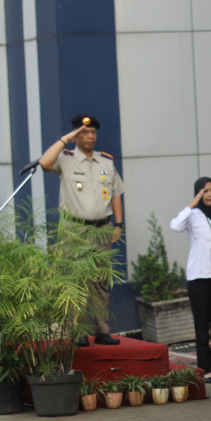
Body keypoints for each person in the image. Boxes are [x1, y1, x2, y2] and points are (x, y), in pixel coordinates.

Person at [38, 114, 125, 346]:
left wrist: (118, 224)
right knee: (76, 281)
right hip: (74, 229)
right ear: (76, 135)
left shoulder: (106, 162)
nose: (91, 136)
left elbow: (116, 194)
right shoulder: (65, 159)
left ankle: (102, 331)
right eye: (85, 132)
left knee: (100, 281)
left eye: (93, 132)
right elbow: (45, 163)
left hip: (102, 229)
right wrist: (65, 139)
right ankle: (77, 331)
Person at [170, 177, 211, 384]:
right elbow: (175, 226)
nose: (210, 194)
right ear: (198, 194)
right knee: (201, 325)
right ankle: (205, 368)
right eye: (205, 191)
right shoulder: (191, 216)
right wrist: (191, 204)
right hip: (197, 277)